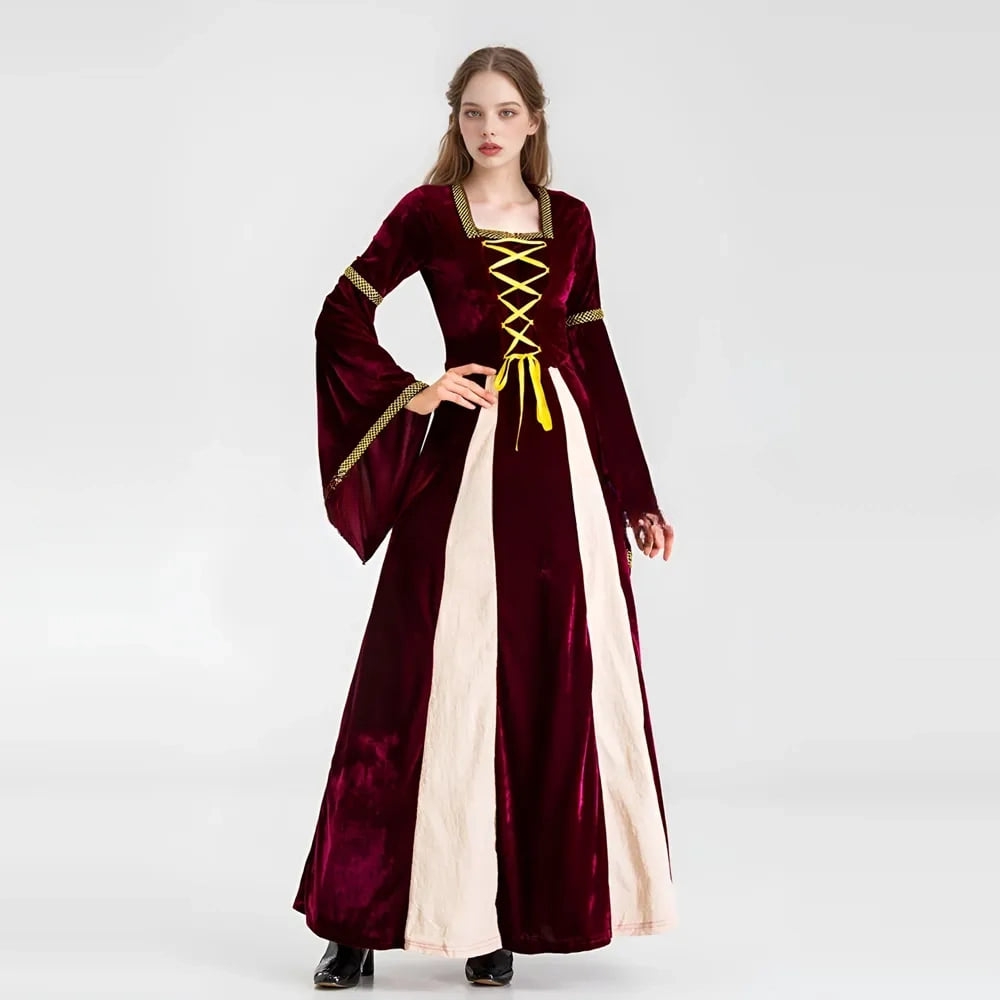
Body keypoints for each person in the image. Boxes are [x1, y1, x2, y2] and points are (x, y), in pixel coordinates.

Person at [293, 45, 677, 990]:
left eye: (506, 112)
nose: (489, 128)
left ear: (534, 120)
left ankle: (491, 915)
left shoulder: (571, 220)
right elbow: (341, 314)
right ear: (455, 120)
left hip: (561, 476)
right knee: (414, 679)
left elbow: (594, 358)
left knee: (539, 686)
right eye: (473, 112)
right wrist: (415, 393)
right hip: (466, 463)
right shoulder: (427, 214)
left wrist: (636, 494)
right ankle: (355, 923)